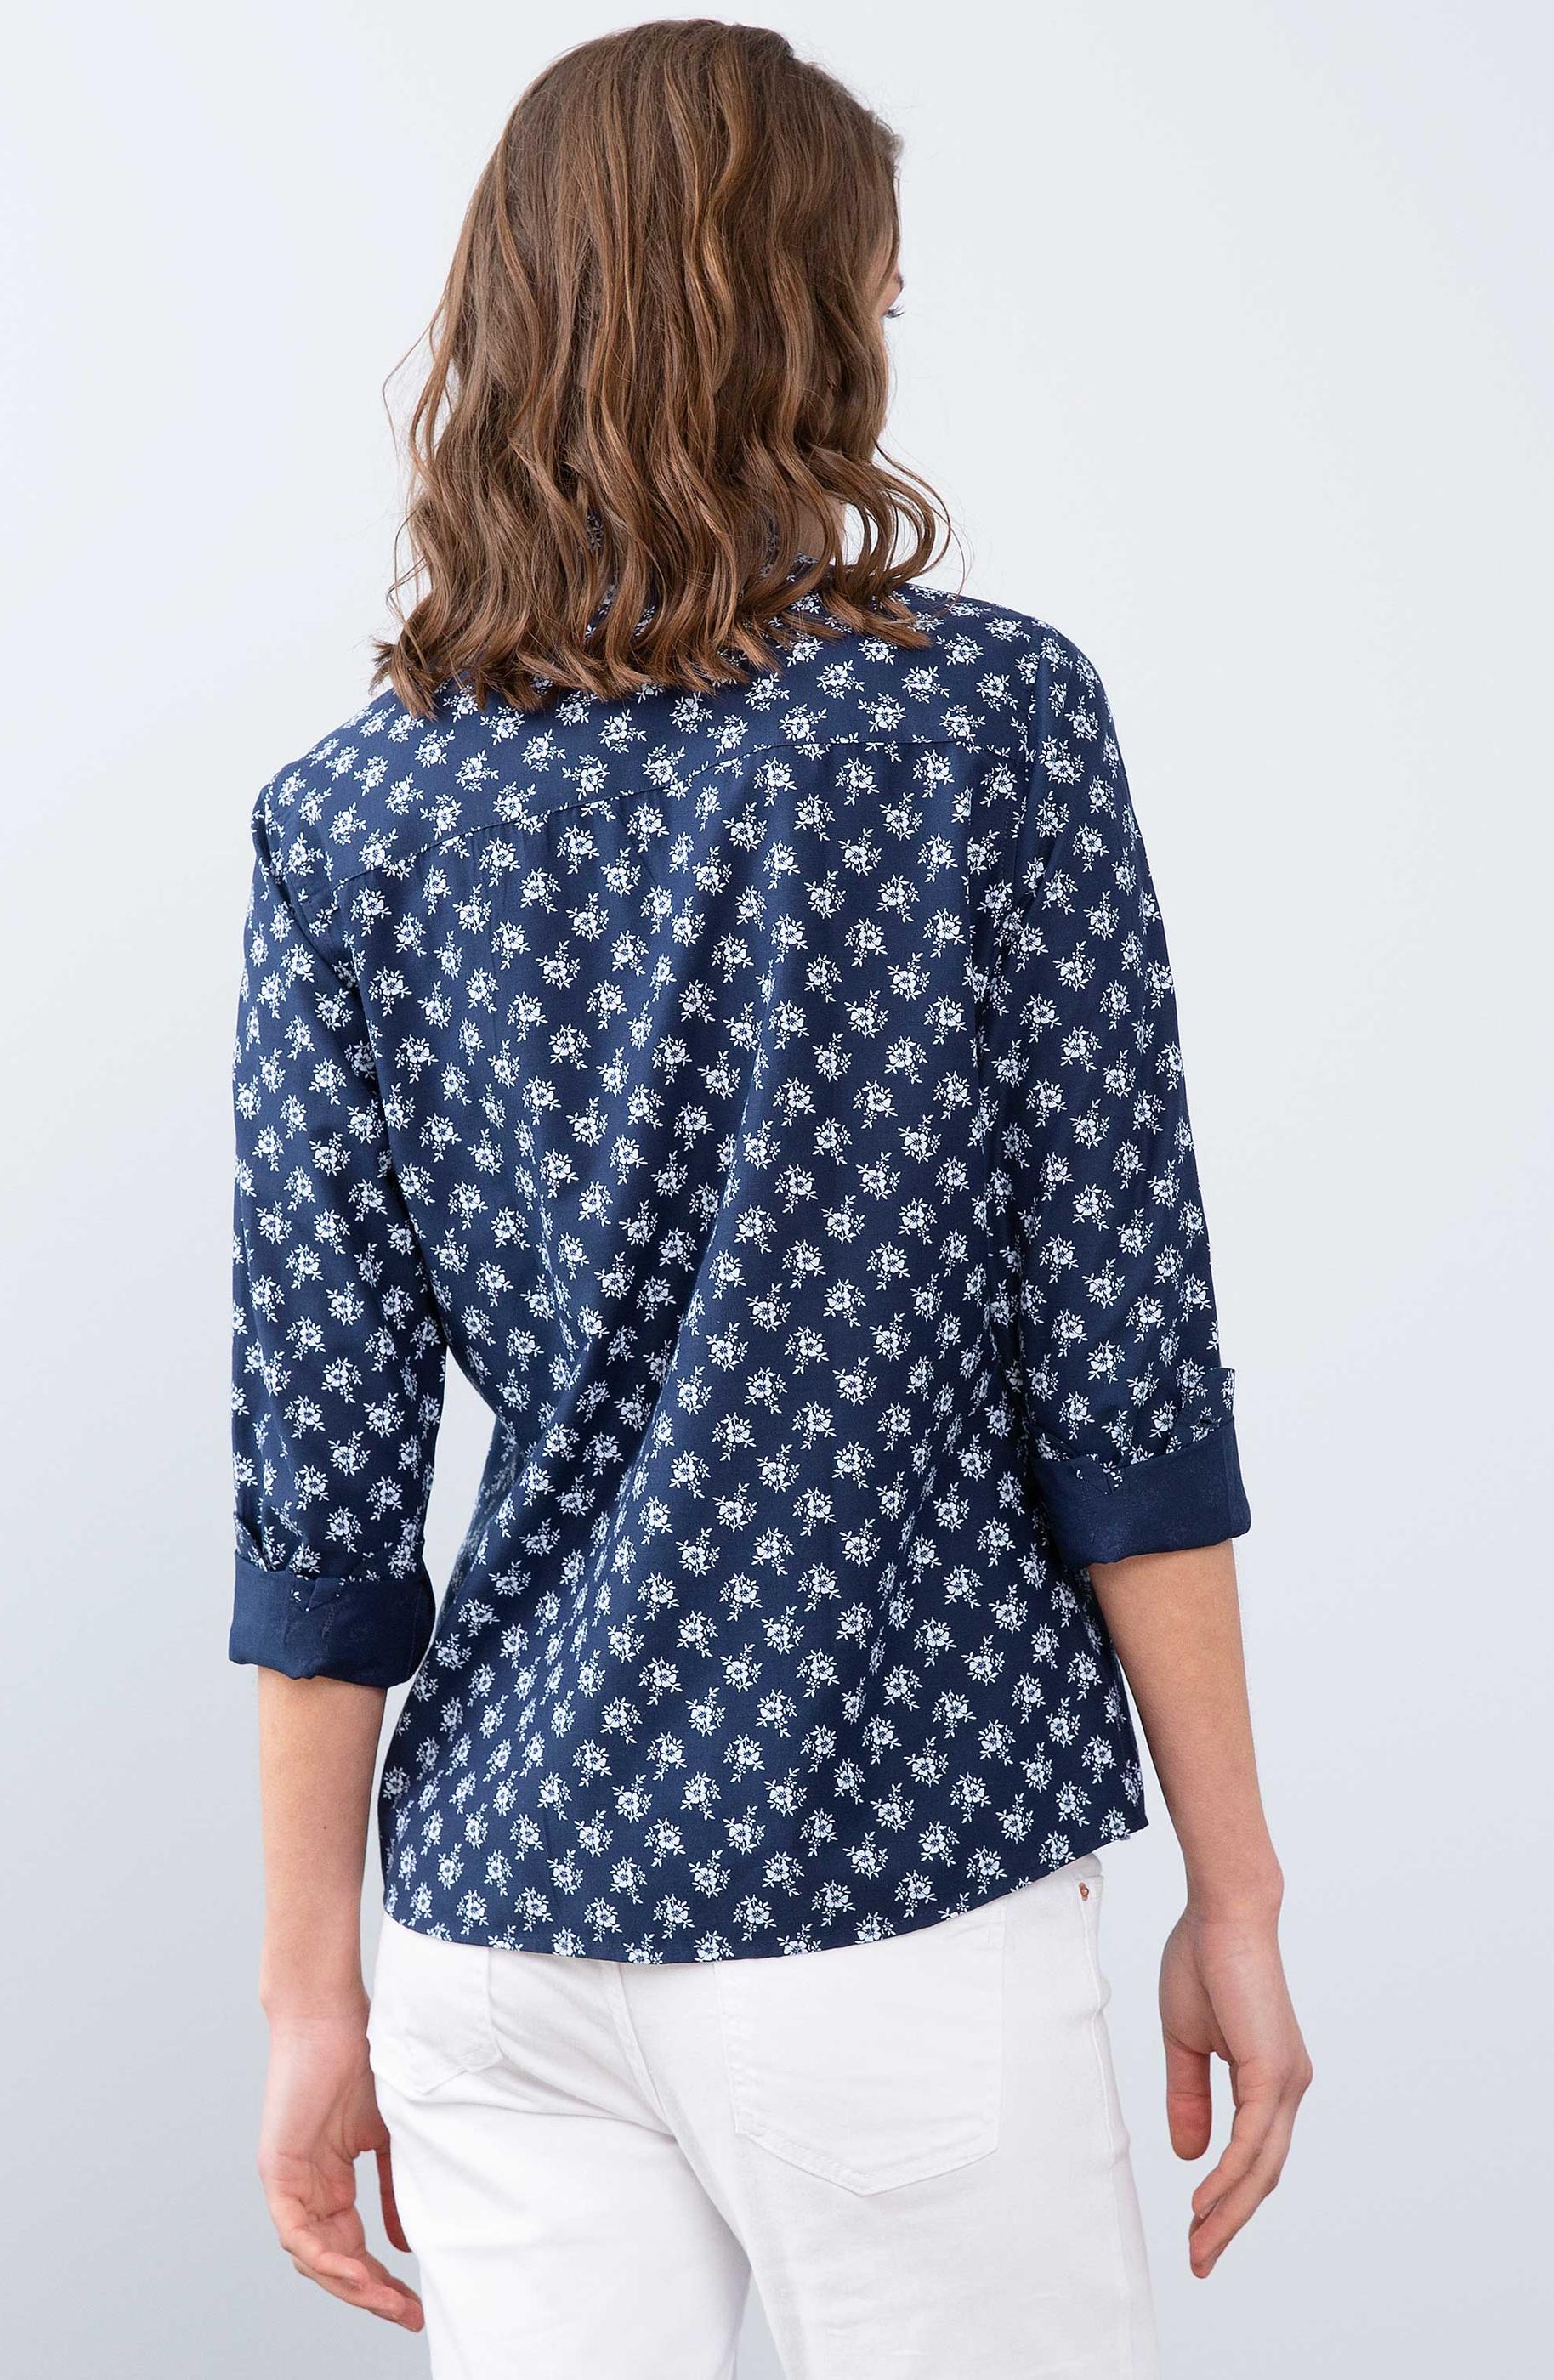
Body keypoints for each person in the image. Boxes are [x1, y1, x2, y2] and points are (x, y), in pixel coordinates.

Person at [232, 20, 1310, 2377]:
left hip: (498, 1923)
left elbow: (320, 1491)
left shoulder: (353, 819)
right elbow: (1120, 1368)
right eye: (876, 289)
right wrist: (1233, 1890)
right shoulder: (982, 729)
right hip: (890, 1879)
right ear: (800, 319)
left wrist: (314, 2000)